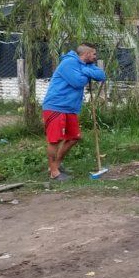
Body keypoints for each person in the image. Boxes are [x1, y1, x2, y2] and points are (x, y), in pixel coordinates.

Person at [42, 43, 106, 181]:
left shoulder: (85, 65)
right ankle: (54, 172)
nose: (95, 57)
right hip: (56, 106)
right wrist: (88, 72)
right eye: (94, 54)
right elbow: (78, 82)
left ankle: (56, 165)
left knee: (73, 137)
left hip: (70, 108)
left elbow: (101, 75)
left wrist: (85, 70)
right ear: (87, 54)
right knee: (55, 140)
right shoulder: (68, 63)